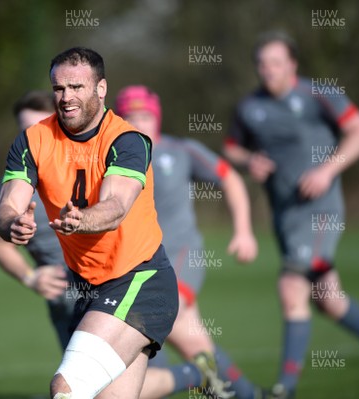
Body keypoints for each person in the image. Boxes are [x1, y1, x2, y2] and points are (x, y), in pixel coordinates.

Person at [0, 47, 179, 399]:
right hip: (87, 287)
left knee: (66, 389)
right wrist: (12, 224)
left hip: (139, 281)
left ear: (101, 88)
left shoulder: (127, 141)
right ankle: (190, 375)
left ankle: (190, 373)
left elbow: (116, 206)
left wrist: (82, 219)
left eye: (77, 87)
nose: (66, 98)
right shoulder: (33, 139)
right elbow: (7, 205)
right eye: (59, 89)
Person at [222, 31, 359, 399]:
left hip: (320, 211)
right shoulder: (250, 107)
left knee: (291, 287)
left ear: (292, 64)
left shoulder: (318, 96)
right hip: (285, 216)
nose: (269, 71)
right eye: (262, 64)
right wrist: (250, 160)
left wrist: (328, 170)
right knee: (327, 298)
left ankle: (286, 389)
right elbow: (231, 148)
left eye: (276, 62)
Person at [115, 85, 262, 399]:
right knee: (195, 344)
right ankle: (241, 393)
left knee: (158, 317)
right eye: (130, 117)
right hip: (136, 264)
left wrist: (244, 230)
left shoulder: (181, 151)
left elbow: (231, 178)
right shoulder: (114, 160)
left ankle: (200, 381)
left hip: (180, 255)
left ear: (157, 118)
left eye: (145, 116)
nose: (139, 123)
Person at [0, 90, 74, 350]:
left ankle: (194, 373)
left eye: (40, 127)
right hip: (64, 300)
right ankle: (196, 373)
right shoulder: (12, 189)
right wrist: (30, 277)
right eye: (24, 130)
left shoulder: (93, 166)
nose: (32, 136)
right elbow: (1, 245)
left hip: (113, 289)